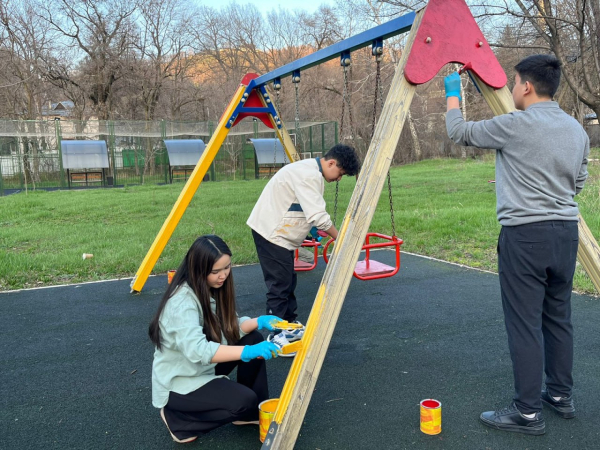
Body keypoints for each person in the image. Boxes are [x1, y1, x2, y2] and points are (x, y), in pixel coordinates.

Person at [444, 54, 589, 435]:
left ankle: (526, 412)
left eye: (514, 82)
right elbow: (578, 182)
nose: (511, 88)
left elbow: (459, 132)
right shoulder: (577, 130)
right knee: (558, 317)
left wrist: (452, 91)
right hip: (565, 233)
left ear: (525, 86)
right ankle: (560, 395)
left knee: (524, 324)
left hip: (525, 237)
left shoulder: (514, 124)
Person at [149, 235, 283, 444]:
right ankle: (179, 422)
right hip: (181, 382)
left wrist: (259, 321)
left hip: (200, 367)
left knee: (253, 337)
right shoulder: (181, 303)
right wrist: (248, 352)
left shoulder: (210, 287)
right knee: (244, 401)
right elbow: (198, 351)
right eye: (215, 271)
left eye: (227, 268)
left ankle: (250, 416)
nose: (223, 276)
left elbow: (227, 328)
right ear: (198, 269)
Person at [247, 144, 361, 353]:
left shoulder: (312, 172)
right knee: (279, 284)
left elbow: (301, 206)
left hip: (280, 232)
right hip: (272, 233)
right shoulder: (309, 175)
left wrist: (313, 231)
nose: (339, 179)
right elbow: (318, 215)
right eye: (340, 173)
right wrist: (341, 238)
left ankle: (289, 324)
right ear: (331, 163)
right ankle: (276, 335)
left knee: (289, 280)